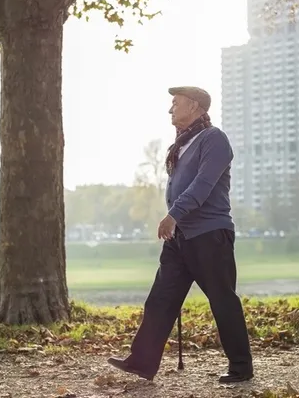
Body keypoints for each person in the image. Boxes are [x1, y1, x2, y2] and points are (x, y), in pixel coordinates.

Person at [107, 86, 253, 383]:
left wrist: (173, 215)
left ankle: (241, 366)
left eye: (175, 103)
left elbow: (202, 184)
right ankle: (142, 362)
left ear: (195, 106)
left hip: (210, 234)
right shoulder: (182, 144)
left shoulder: (214, 139)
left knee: (222, 299)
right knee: (160, 299)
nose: (170, 109)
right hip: (181, 238)